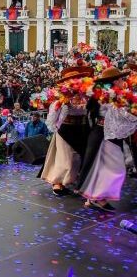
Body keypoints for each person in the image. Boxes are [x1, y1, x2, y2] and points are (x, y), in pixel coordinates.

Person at [79, 67, 137, 211]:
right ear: (115, 81)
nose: (123, 81)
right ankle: (96, 197)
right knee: (114, 168)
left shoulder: (113, 95)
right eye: (121, 79)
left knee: (102, 167)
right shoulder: (108, 96)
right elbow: (121, 114)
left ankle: (94, 197)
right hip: (104, 134)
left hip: (107, 133)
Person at [41, 66, 93, 195]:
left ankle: (76, 180)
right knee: (67, 158)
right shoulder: (61, 97)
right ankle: (58, 181)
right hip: (66, 129)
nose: (75, 82)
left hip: (83, 128)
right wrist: (55, 127)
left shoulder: (87, 94)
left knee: (81, 157)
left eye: (77, 79)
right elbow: (54, 115)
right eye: (71, 80)